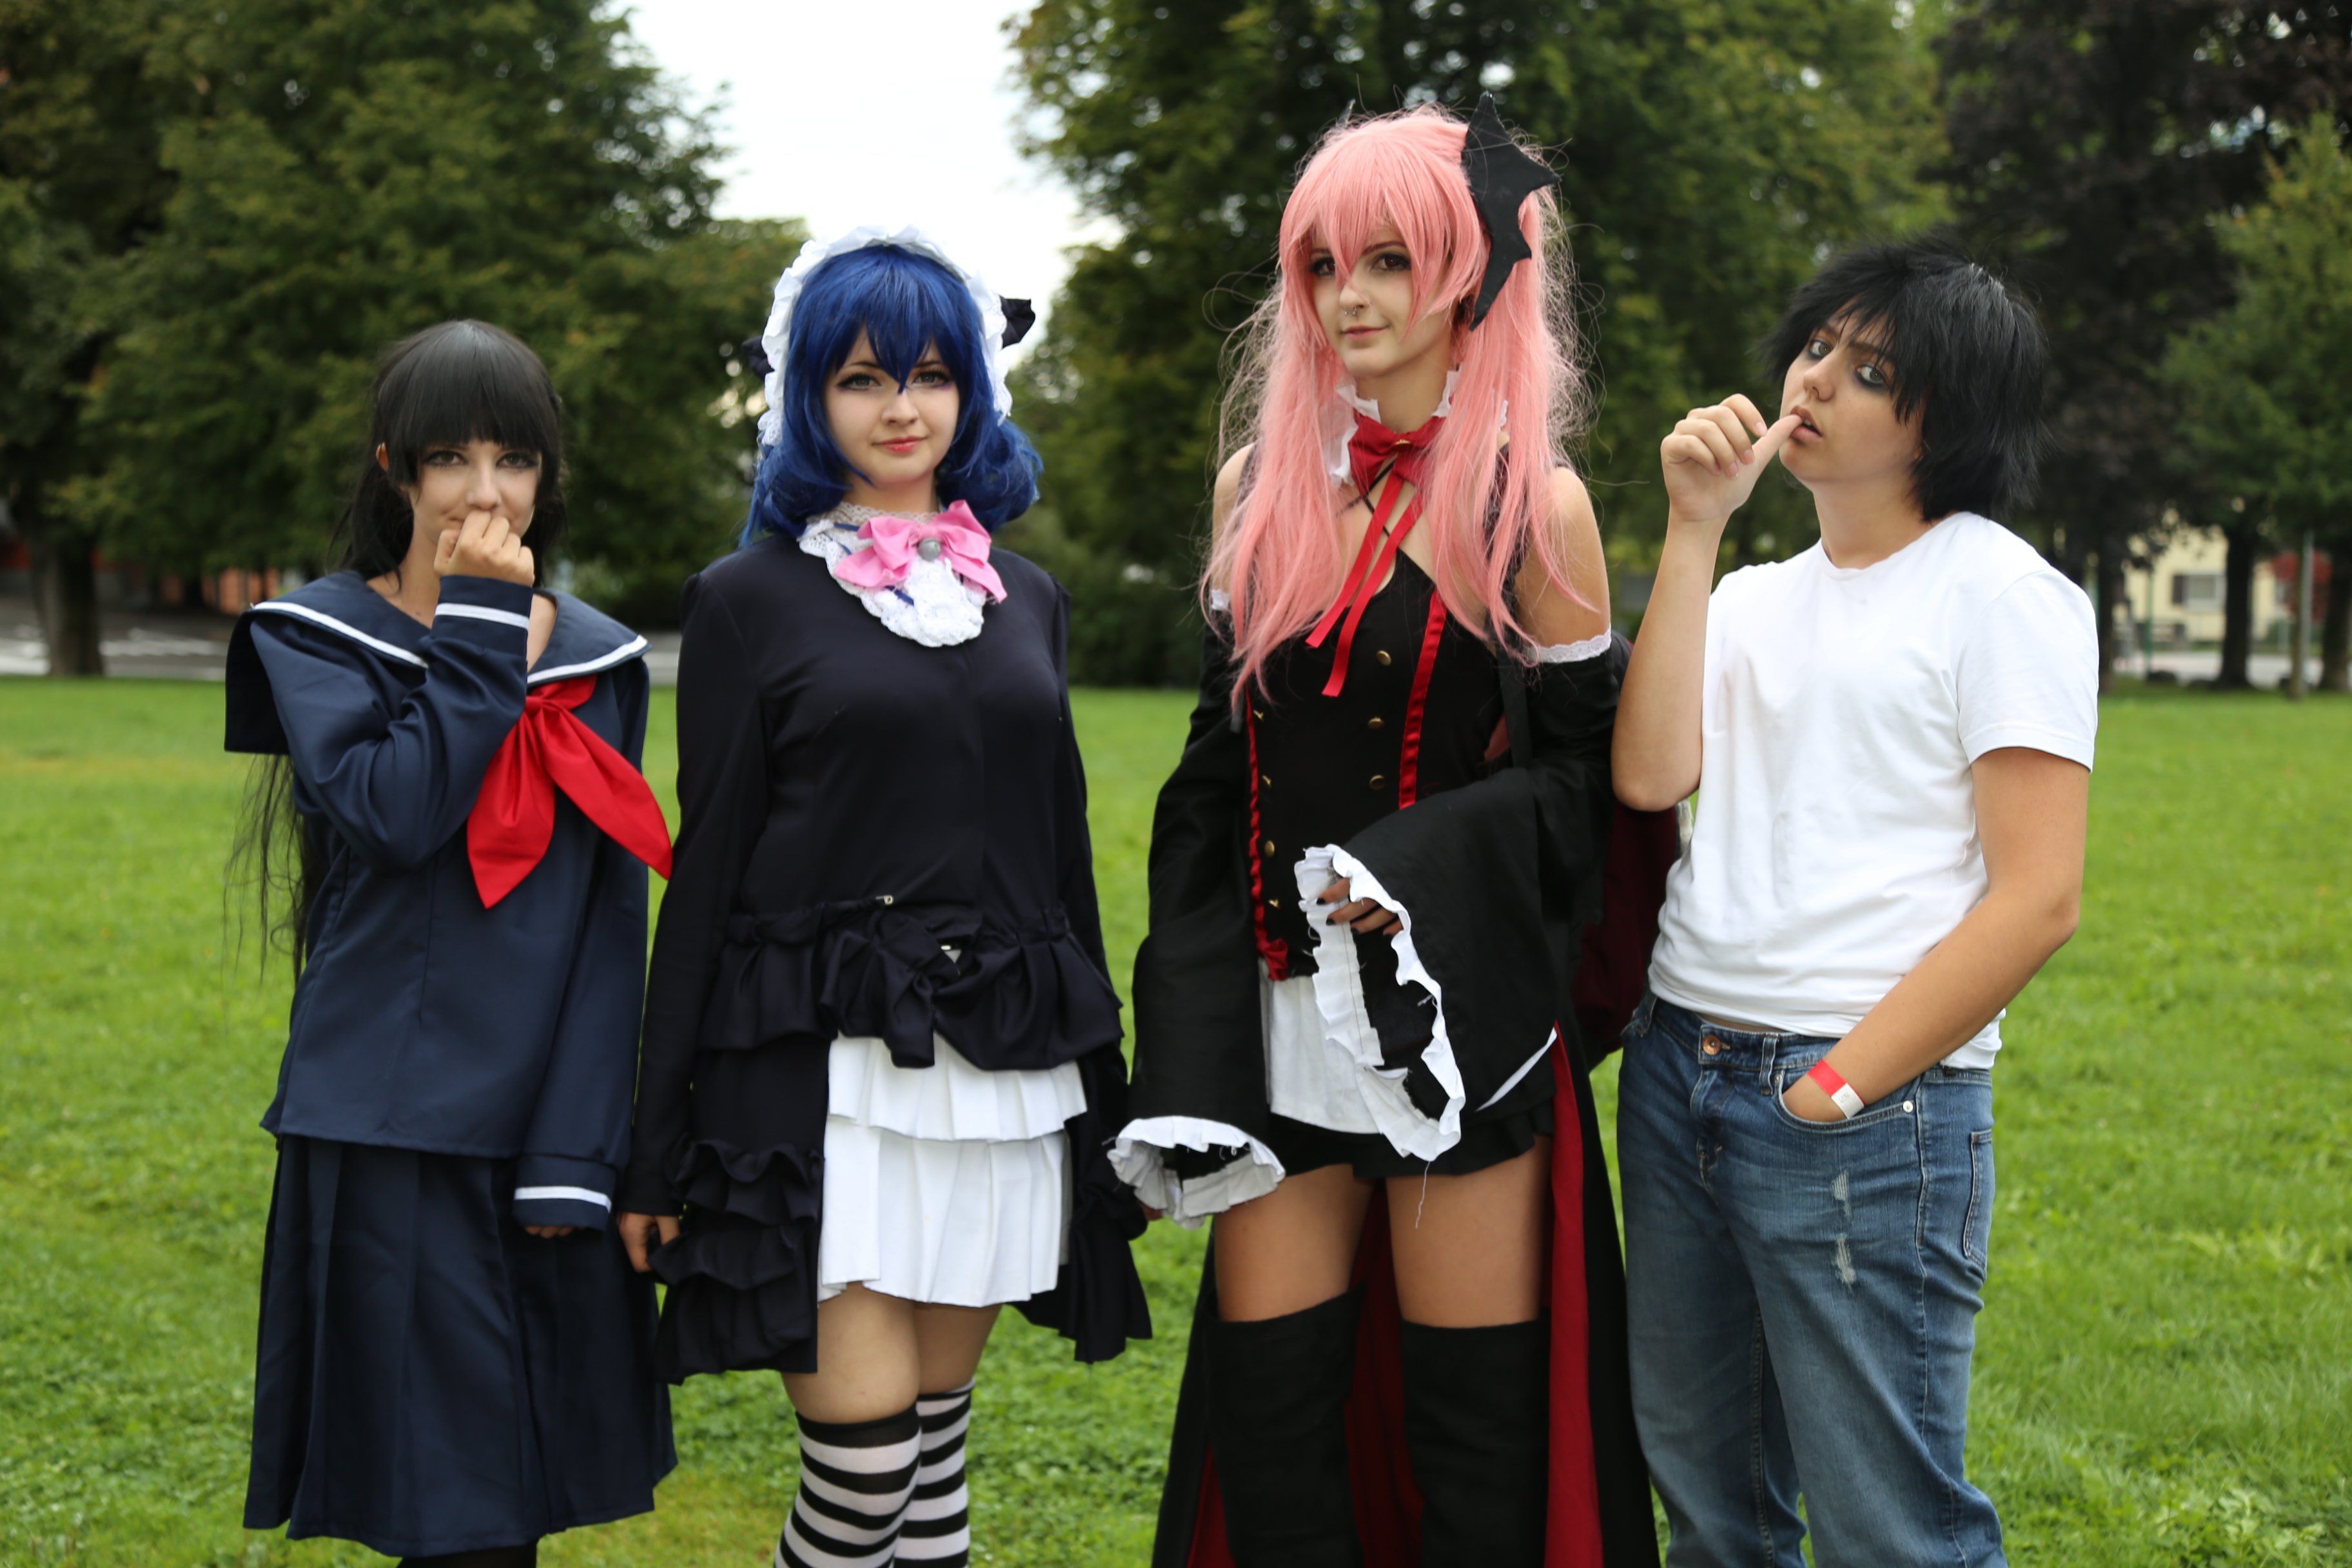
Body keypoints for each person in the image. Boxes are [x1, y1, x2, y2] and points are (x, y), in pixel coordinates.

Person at [1114, 101, 1658, 1567]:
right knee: (1275, 1417)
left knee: (1475, 1437)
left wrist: (1407, 878)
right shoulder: (1256, 489)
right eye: (1321, 265)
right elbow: (1217, 766)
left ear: (1470, 274)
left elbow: (1587, 789)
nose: (1347, 297)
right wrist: (1189, 1010)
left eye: (1388, 261)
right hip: (1282, 1019)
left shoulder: (1535, 506)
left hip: (1456, 1020)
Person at [614, 226, 1148, 1568]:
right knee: (863, 1483)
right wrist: (653, 1142)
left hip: (999, 1080)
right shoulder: (743, 602)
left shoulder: (1029, 600)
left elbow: (1062, 860)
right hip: (825, 1086)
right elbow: (706, 873)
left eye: (930, 374)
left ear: (974, 389)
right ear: (809, 395)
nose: (901, 406)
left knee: (934, 1477)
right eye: (861, 378)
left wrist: (1110, 1104)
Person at [1612, 241, 2095, 1567]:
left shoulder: (2005, 595)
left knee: (1891, 1530)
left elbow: (2040, 896)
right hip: (1678, 1071)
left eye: (1871, 371)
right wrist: (1695, 527)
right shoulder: (1753, 595)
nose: (1814, 380)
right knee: (1711, 1510)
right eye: (1817, 346)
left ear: (1946, 420)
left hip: (1864, 1108)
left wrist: (1839, 1086)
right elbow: (1649, 775)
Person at [224, 320, 677, 1567]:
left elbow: (608, 918)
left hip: (543, 1127)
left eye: (514, 460)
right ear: (394, 470)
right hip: (393, 1129)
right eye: (449, 459)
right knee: (448, 1511)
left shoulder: (598, 657)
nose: (485, 494)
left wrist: (578, 1152)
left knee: (516, 1495)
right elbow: (397, 814)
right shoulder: (315, 636)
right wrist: (479, 624)